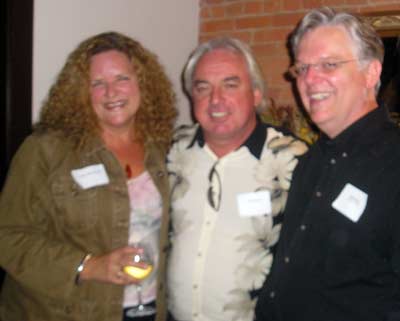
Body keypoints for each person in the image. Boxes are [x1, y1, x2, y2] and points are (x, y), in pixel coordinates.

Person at [0, 31, 177, 321]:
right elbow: (7, 236)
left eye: (122, 79)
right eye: (97, 83)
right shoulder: (45, 151)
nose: (111, 92)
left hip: (149, 309)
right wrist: (86, 266)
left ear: (142, 84)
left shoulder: (163, 147)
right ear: (80, 93)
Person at [255, 7, 400, 321]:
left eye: (329, 64)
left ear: (371, 73)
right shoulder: (311, 160)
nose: (310, 79)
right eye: (303, 68)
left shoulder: (394, 165)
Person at [167, 37, 307, 321]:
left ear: (256, 93)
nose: (215, 99)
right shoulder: (171, 151)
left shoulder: (293, 158)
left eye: (230, 85)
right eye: (202, 87)